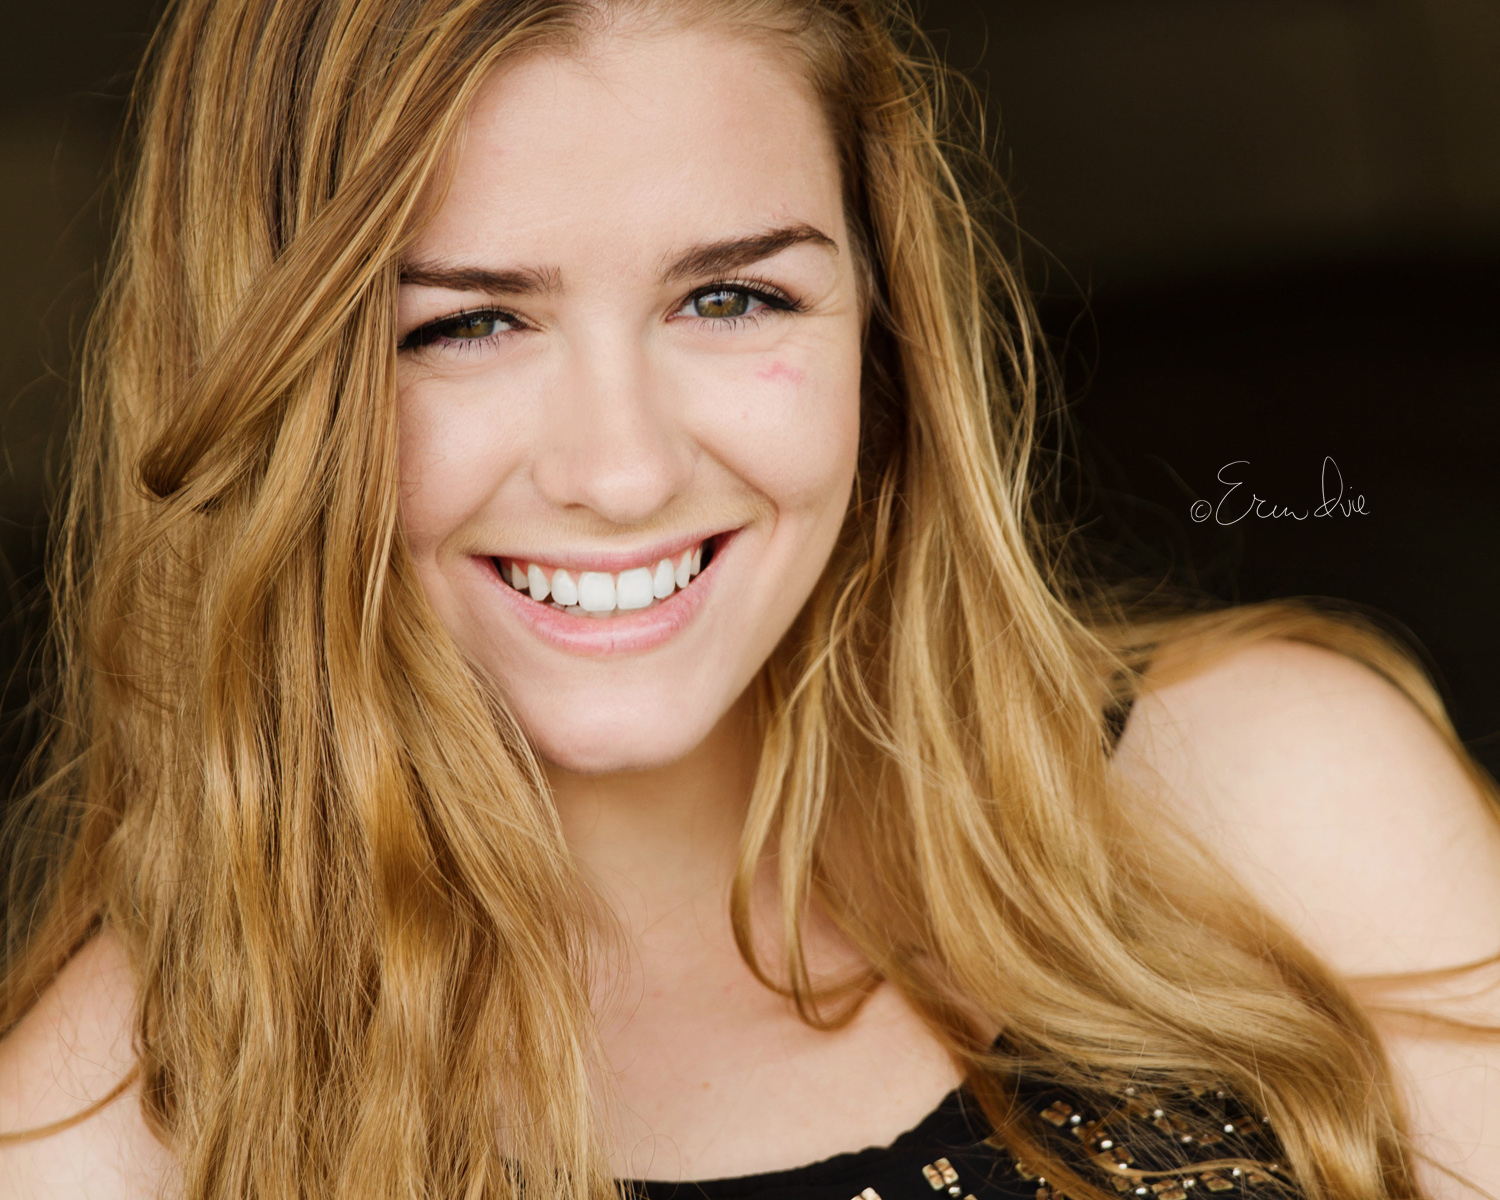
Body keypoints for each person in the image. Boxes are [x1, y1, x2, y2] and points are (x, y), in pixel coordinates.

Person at [2, 0, 1499, 1197]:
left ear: (882, 332)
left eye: (731, 298)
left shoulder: (1280, 805)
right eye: (464, 325)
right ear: (263, 385)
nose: (623, 472)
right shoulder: (109, 1131)